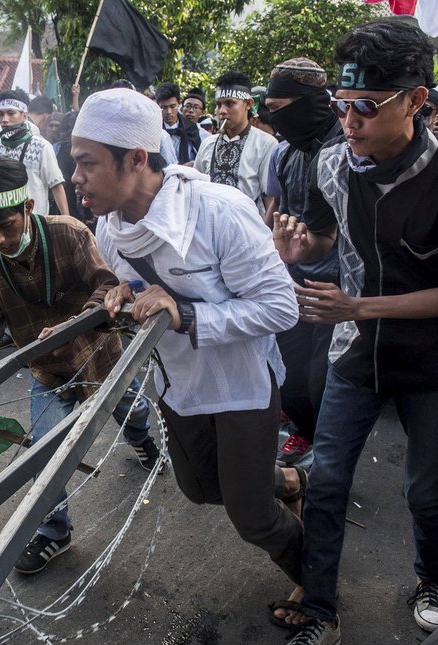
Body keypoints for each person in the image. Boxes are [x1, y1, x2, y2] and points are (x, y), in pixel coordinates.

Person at [272, 20, 438, 645]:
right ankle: (321, 610)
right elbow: (326, 237)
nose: (350, 122)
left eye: (367, 108)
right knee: (326, 480)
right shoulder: (331, 163)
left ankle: (431, 578)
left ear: (416, 103)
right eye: (342, 107)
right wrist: (301, 247)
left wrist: (359, 306)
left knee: (426, 490)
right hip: (357, 355)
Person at [72, 86, 305, 626]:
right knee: (199, 487)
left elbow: (279, 308)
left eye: (86, 163)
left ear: (135, 159)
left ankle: (315, 578)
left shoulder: (219, 211)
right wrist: (123, 296)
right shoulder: (111, 227)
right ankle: (290, 481)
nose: (77, 178)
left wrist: (190, 313)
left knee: (252, 518)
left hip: (242, 383)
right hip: (180, 382)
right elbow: (135, 288)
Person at [0, 157, 161, 574]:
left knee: (133, 411)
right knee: (43, 453)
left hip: (100, 355)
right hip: (49, 372)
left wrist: (73, 324)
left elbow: (106, 284)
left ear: (28, 208)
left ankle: (142, 440)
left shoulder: (69, 233)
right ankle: (55, 531)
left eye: (6, 226)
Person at [261, 58, 344, 475]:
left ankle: (330, 464)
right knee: (289, 377)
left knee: (323, 381)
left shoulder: (350, 150)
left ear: (311, 104)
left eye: (279, 108)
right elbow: (277, 212)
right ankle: (307, 434)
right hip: (293, 283)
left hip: (341, 292)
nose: (272, 118)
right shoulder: (285, 154)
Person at [194, 71, 278, 210]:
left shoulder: (266, 144)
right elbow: (196, 188)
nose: (222, 111)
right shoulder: (208, 144)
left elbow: (270, 198)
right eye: (218, 104)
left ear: (248, 103)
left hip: (248, 228)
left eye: (230, 104)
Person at [0, 89, 69, 216]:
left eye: (11, 113)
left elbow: (56, 185)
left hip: (35, 223)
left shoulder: (41, 146)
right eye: (0, 114)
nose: (4, 119)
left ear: (24, 115)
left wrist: (67, 220)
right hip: (5, 223)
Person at [155, 82, 205, 164]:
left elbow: (200, 158)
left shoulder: (190, 127)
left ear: (179, 103)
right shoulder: (154, 127)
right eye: (163, 107)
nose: (169, 112)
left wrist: (191, 164)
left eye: (172, 106)